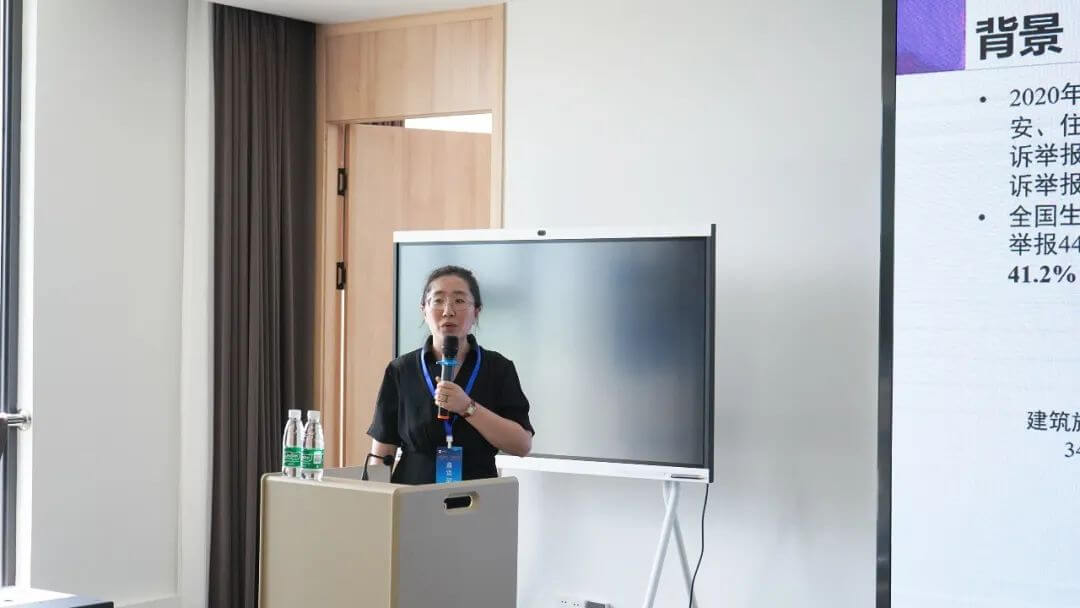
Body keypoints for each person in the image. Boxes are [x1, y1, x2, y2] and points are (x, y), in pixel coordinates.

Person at [366, 265, 534, 484]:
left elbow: (522, 445)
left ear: (476, 311)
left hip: (477, 495)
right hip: (412, 496)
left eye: (459, 300)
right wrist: (374, 498)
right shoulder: (401, 369)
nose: (448, 311)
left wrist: (468, 407)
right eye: (438, 300)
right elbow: (381, 454)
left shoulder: (498, 368)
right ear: (424, 310)